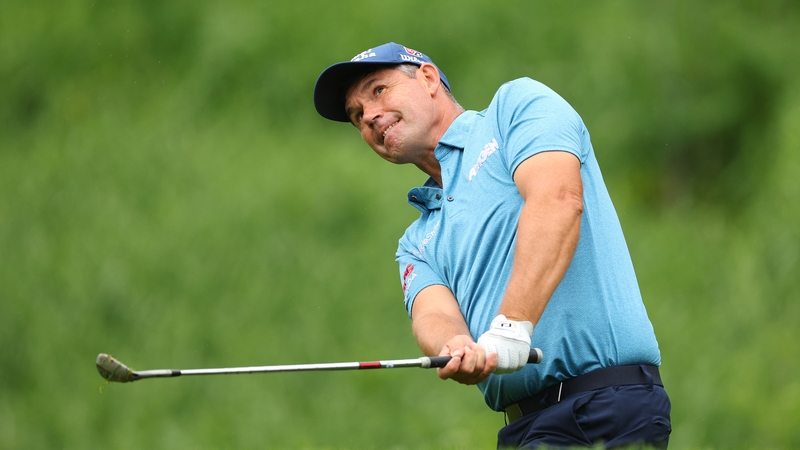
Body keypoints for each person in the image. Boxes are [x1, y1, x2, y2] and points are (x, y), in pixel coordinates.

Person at [313, 42, 672, 448]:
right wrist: (455, 346)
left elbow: (558, 200)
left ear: (429, 78)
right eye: (357, 116)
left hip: (607, 402)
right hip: (523, 429)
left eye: (379, 91)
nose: (370, 117)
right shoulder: (415, 242)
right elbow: (432, 315)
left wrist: (511, 325)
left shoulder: (514, 109)